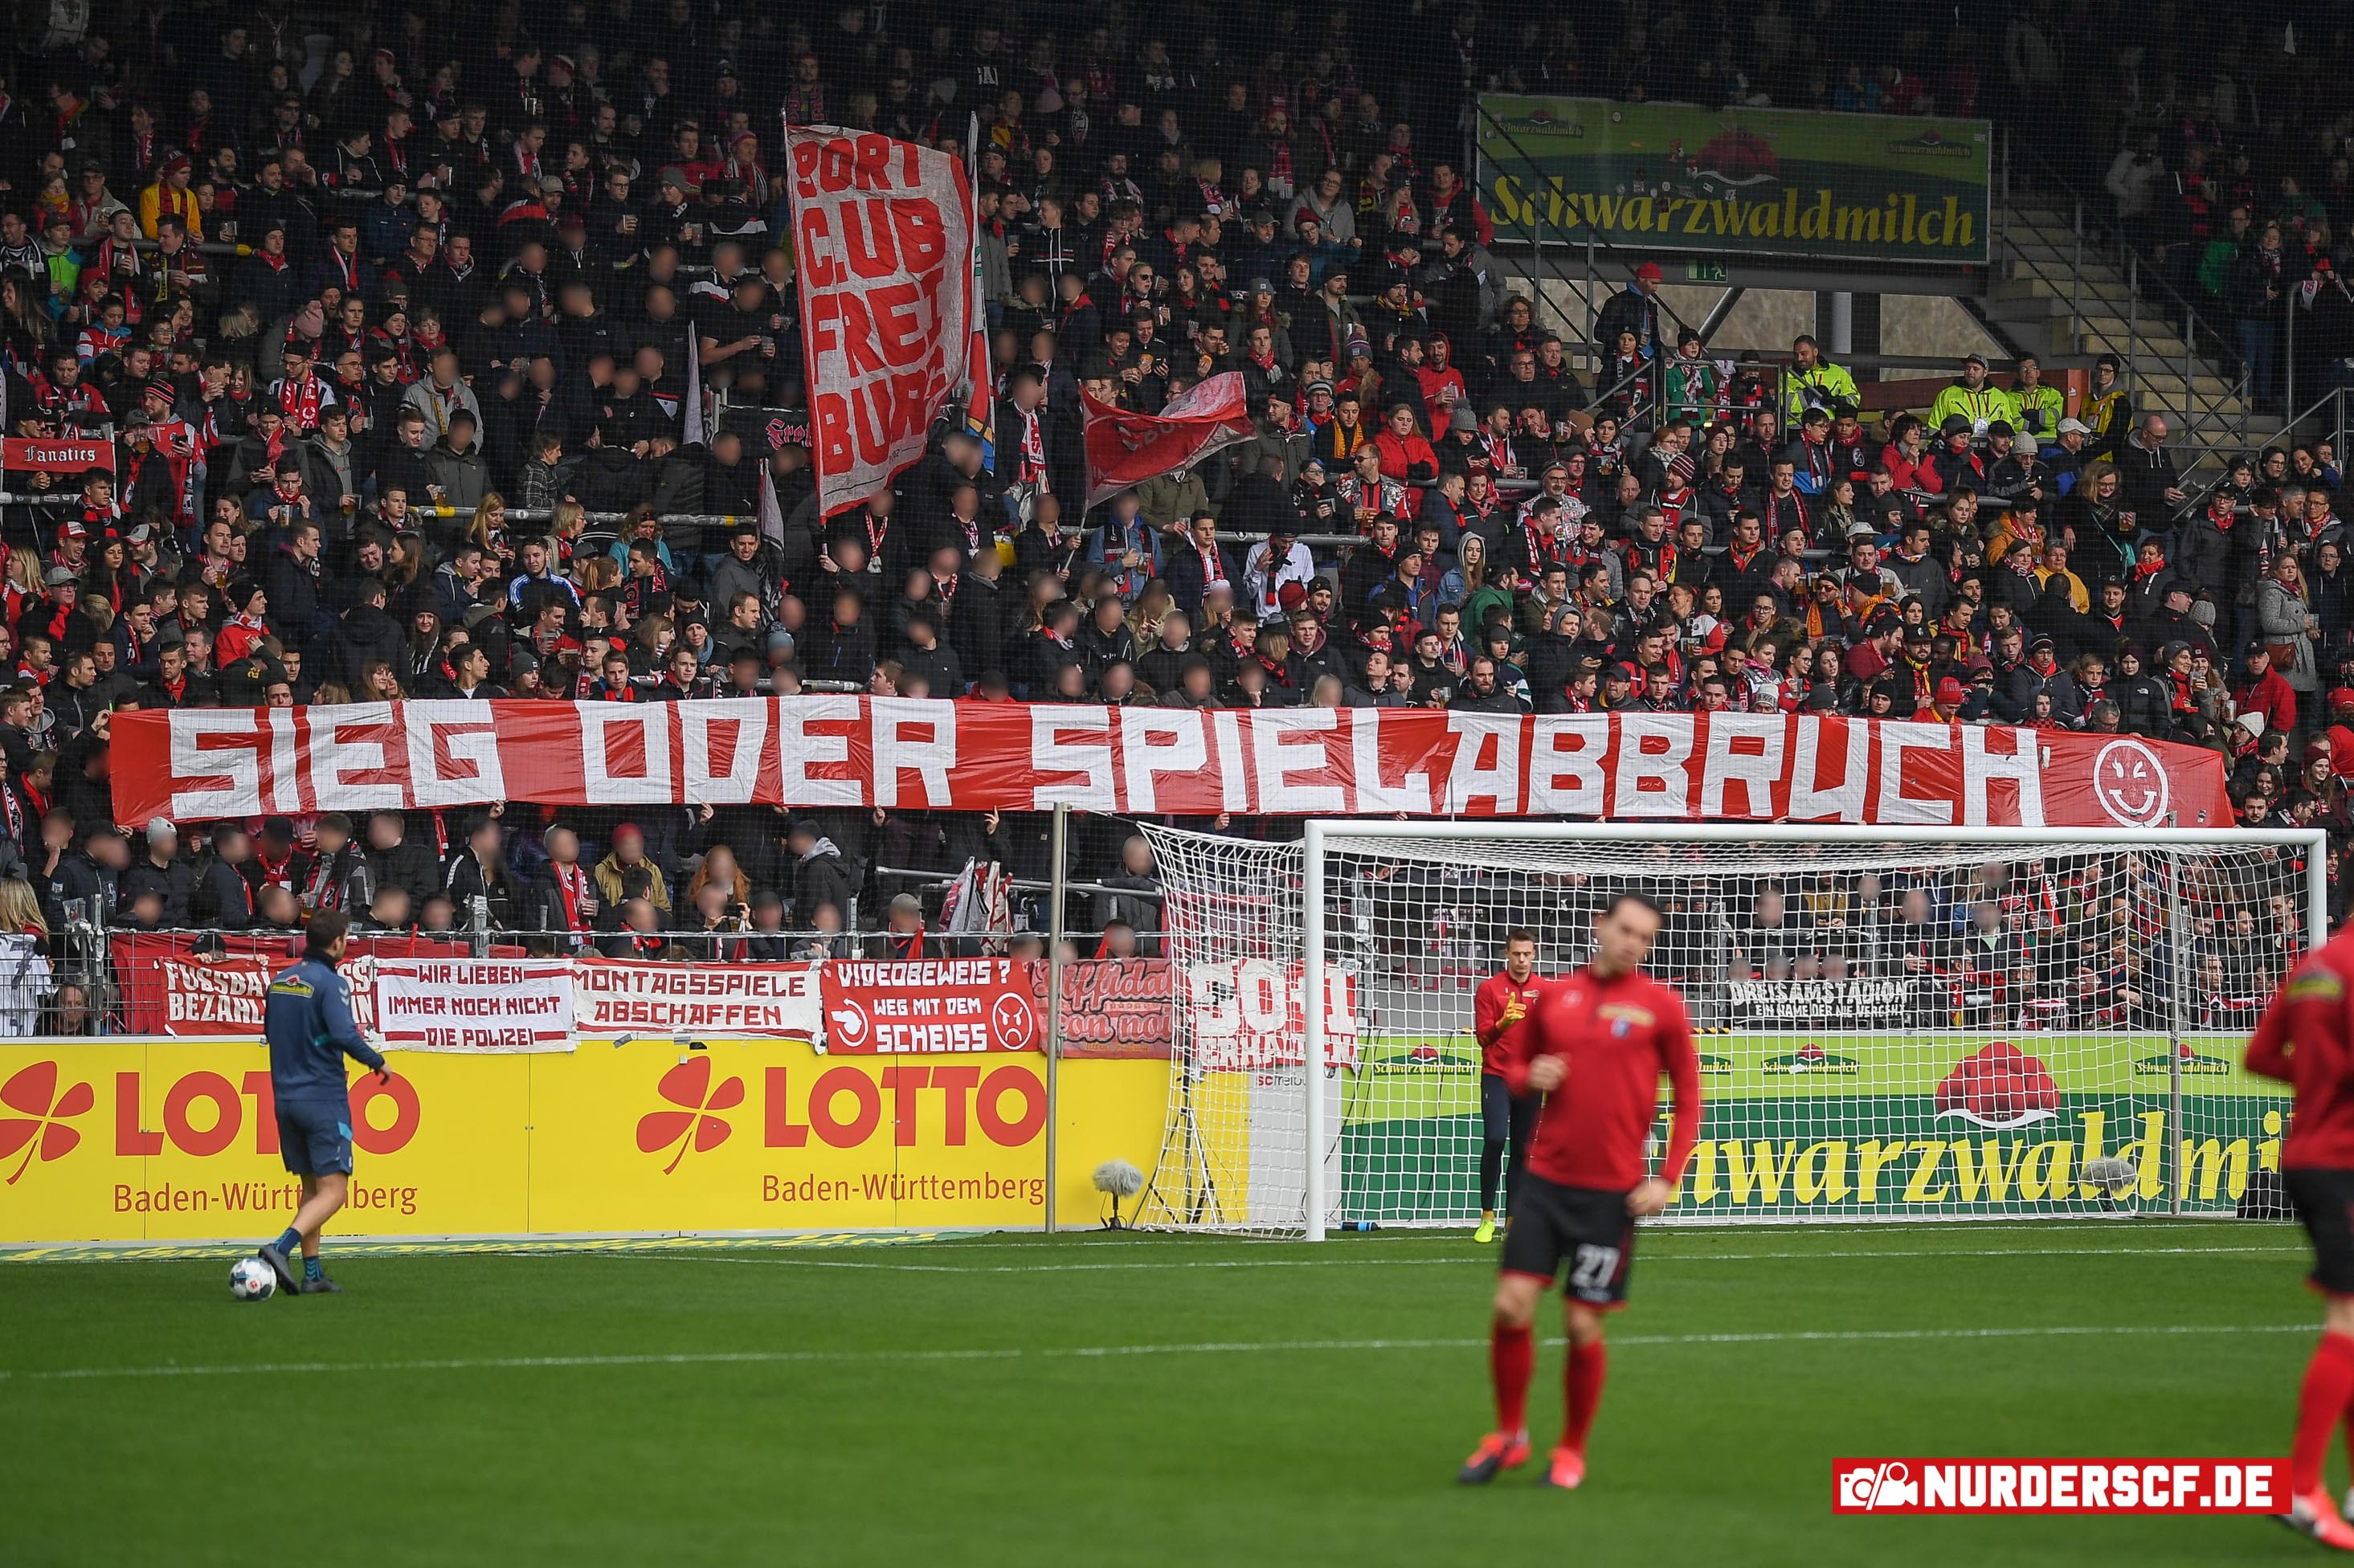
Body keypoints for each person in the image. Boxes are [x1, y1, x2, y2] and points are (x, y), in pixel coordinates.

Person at [1459, 892, 1702, 1492]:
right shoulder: (1557, 999)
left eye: (1645, 937)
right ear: (1600, 927)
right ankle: (1510, 1434)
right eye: (1625, 929)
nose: (1632, 943)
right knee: (1511, 1305)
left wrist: (1667, 1177)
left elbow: (1690, 1100)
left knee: (1581, 1326)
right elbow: (1514, 1069)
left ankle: (1570, 1450)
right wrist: (1527, 1075)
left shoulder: (1662, 1008)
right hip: (1545, 1182)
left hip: (1609, 1196)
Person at [2246, 920, 2354, 1548]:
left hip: (2311, 1156)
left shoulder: (2316, 965)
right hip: (2344, 1161)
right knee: (2346, 1318)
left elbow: (2260, 1056)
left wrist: (2313, 1087)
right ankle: (2302, 1487)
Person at [253, 910, 390, 1296]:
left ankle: (312, 1274)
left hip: (285, 1098)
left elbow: (270, 1032)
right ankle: (279, 1249)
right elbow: (344, 1033)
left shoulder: (280, 982)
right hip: (322, 1097)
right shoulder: (331, 983)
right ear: (338, 942)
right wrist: (377, 1062)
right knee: (335, 1191)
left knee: (312, 1189)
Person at [1470, 927, 1544, 1246]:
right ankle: (1487, 1216)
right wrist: (1504, 1023)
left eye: (1527, 954)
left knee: (1523, 1151)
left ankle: (1513, 1222)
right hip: (1497, 1075)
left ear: (1534, 955)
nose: (1522, 960)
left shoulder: (1545, 990)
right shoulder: (1489, 988)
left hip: (1529, 1079)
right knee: (1495, 1137)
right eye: (1517, 954)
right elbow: (1482, 1037)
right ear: (1506, 954)